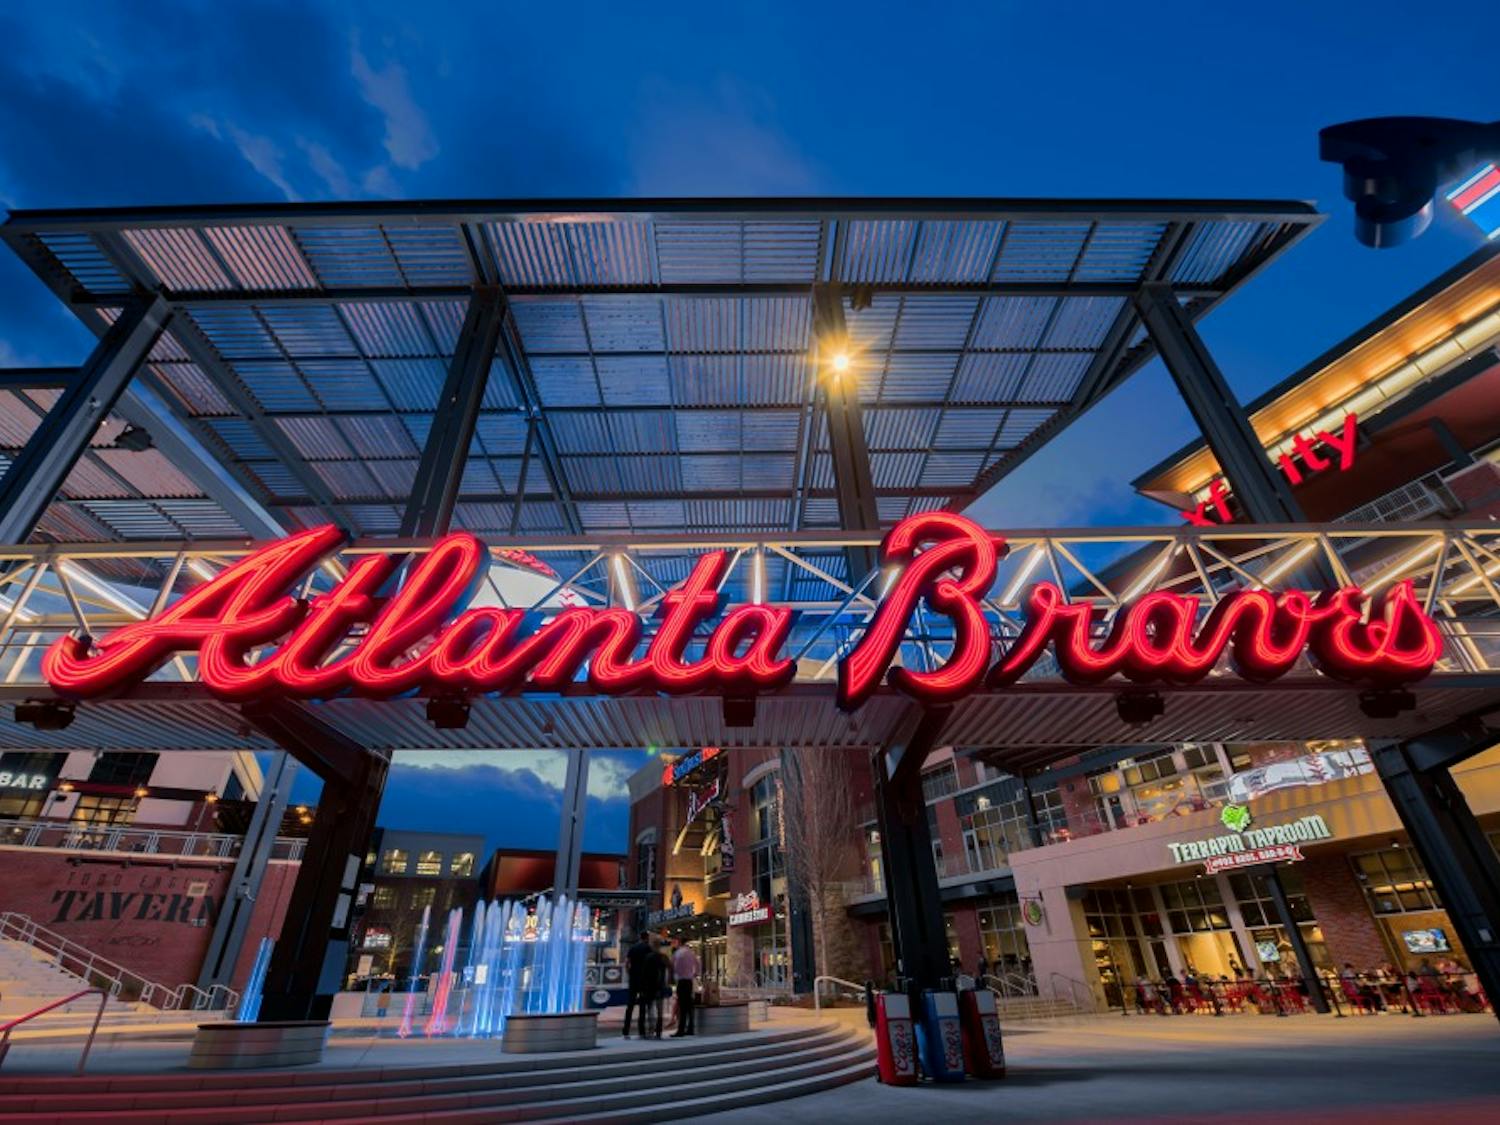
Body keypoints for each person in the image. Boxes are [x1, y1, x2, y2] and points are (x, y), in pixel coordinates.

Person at [623, 932, 655, 1038]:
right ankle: (641, 1031)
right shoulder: (648, 948)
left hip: (633, 979)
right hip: (644, 980)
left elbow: (627, 963)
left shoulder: (633, 948)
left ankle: (626, 1031)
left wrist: (630, 973)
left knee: (630, 1005)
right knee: (642, 1006)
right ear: (647, 938)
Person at [671, 936, 701, 1037]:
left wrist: (675, 976)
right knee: (689, 1006)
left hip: (681, 981)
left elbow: (673, 966)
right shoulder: (691, 953)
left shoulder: (678, 953)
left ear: (679, 942)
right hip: (689, 981)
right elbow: (698, 965)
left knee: (682, 1006)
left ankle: (681, 1030)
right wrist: (695, 974)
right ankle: (690, 1029)